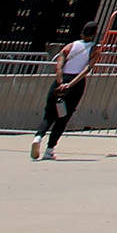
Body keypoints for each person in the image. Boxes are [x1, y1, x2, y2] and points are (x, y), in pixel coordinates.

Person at [34, 29, 95, 159]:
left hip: (59, 81)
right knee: (63, 118)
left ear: (82, 33)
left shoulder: (70, 46)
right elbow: (87, 69)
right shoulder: (94, 49)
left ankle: (38, 137)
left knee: (49, 115)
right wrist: (70, 84)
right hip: (76, 85)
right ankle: (49, 150)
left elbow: (59, 65)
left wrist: (60, 82)